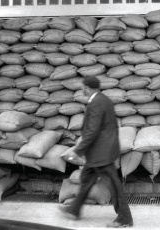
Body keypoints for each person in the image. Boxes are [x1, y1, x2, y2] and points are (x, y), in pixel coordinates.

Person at [59, 76, 133, 228]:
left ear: (87, 88)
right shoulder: (103, 99)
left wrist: (78, 150)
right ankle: (74, 209)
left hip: (101, 154)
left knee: (114, 185)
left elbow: (92, 130)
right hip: (99, 153)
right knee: (86, 179)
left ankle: (125, 218)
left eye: (83, 87)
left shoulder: (96, 103)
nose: (82, 90)